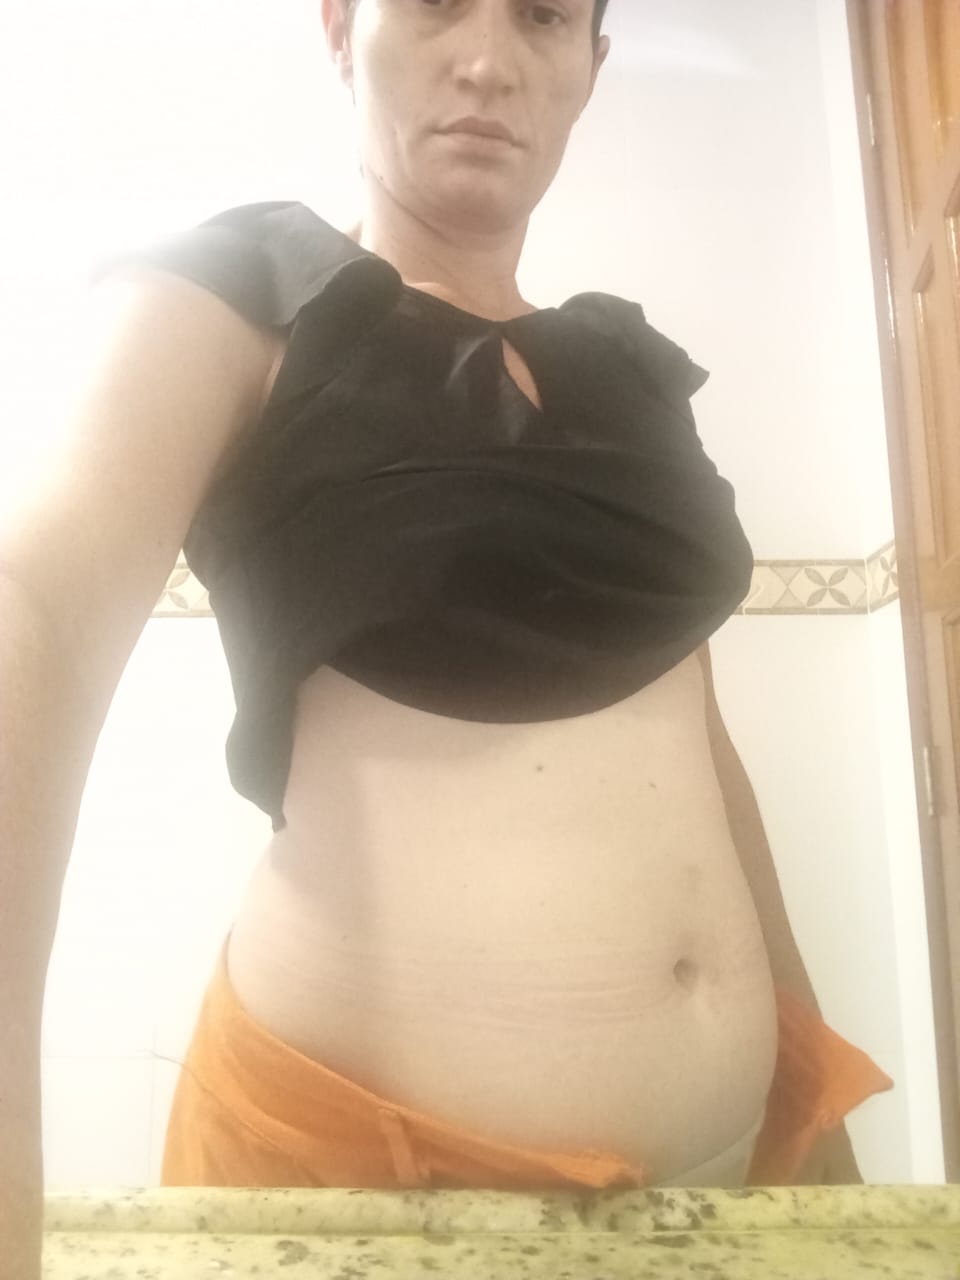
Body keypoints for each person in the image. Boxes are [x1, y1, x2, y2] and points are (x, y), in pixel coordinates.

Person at [1, 0, 893, 1271]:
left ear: (592, 65)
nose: (487, 61)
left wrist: (809, 1108)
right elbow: (31, 607)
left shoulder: (629, 370)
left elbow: (695, 744)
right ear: (339, 26)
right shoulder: (244, 295)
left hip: (717, 1183)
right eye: (434, 4)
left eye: (543, 18)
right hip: (361, 1196)